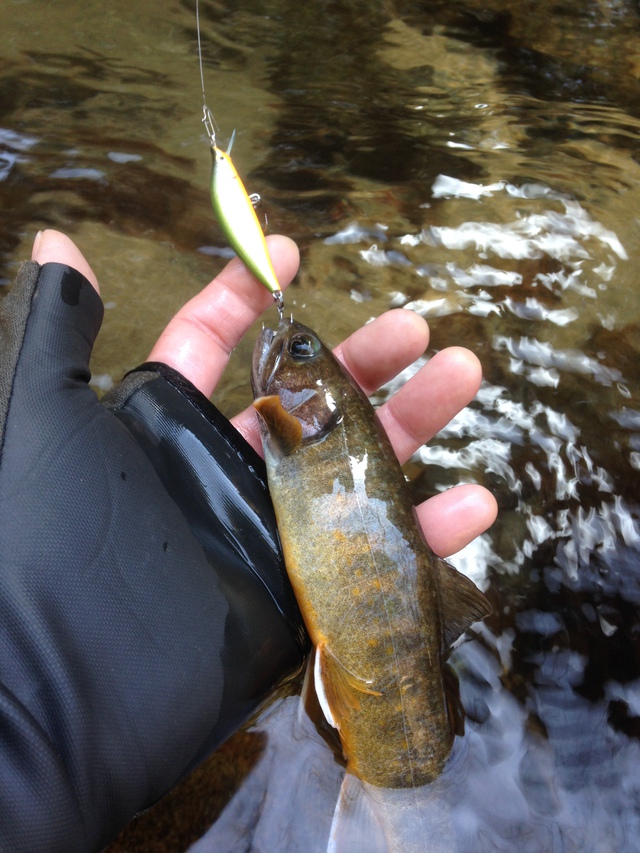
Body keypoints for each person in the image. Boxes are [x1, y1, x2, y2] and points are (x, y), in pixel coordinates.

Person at [0, 229, 497, 852]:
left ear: (316, 406)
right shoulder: (294, 419)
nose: (285, 347)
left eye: (299, 350)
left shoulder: (297, 418)